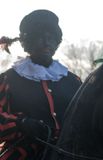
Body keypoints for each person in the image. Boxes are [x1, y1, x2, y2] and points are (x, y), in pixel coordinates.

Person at [0, 9, 82, 159]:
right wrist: (21, 123)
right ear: (27, 42)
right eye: (40, 37)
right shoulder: (8, 79)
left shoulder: (74, 81)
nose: (46, 42)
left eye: (51, 37)